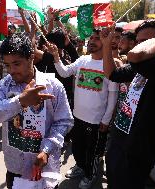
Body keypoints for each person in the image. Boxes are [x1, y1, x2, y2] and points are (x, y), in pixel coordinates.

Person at [0, 33, 73, 189]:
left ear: (31, 57)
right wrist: (20, 101)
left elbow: (64, 121)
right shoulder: (4, 86)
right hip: (15, 166)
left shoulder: (53, 86)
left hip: (45, 165)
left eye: (17, 64)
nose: (11, 70)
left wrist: (46, 150)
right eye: (7, 65)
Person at [103, 19, 155, 189]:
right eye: (137, 42)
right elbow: (112, 74)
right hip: (117, 144)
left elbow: (135, 56)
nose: (137, 46)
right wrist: (107, 45)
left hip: (137, 155)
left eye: (145, 42)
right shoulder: (142, 66)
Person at [47, 29, 118, 189]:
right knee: (78, 148)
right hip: (77, 117)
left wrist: (106, 120)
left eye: (97, 38)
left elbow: (113, 96)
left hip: (96, 121)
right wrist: (57, 57)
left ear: (105, 42)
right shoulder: (82, 61)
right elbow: (64, 73)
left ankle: (90, 174)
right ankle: (80, 166)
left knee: (92, 152)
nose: (92, 41)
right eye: (91, 38)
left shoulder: (109, 65)